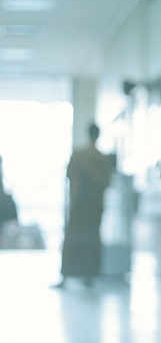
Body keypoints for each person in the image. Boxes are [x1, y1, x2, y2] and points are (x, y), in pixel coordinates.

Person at [53, 123, 112, 288]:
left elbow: (69, 175)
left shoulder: (79, 154)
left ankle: (66, 277)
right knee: (91, 240)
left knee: (73, 239)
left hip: (79, 205)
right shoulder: (102, 158)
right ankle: (89, 276)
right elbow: (107, 182)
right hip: (94, 206)